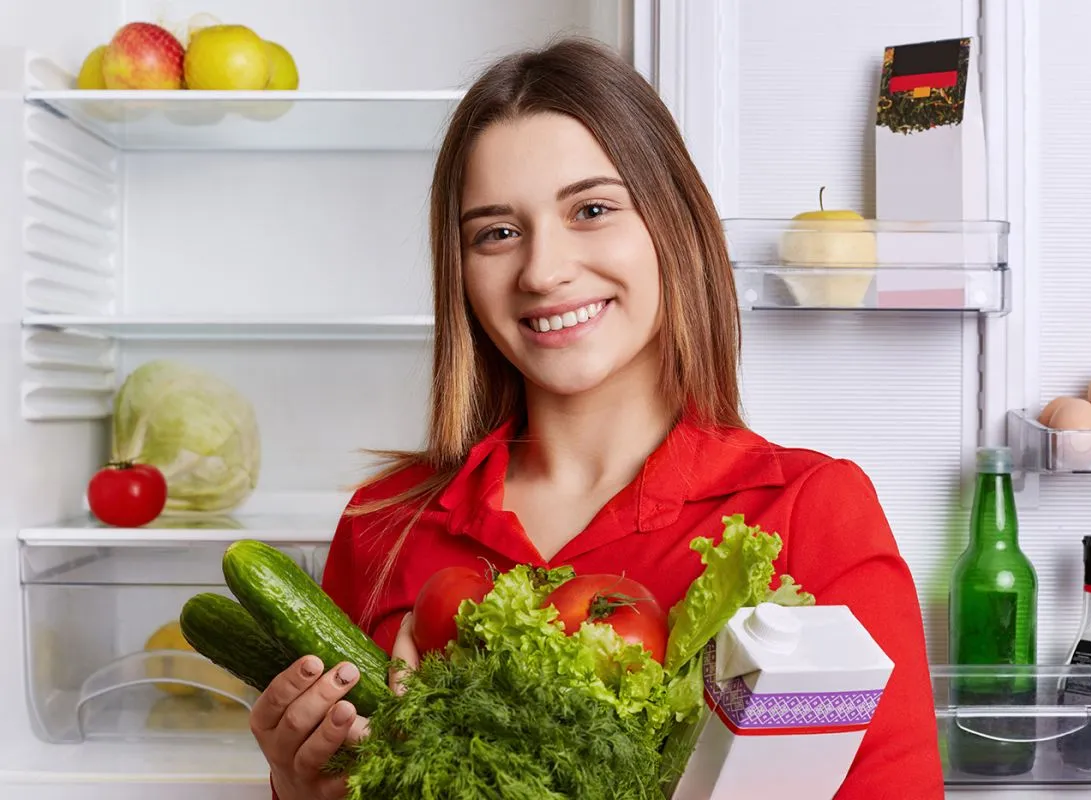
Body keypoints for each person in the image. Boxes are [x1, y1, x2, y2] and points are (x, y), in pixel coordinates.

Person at [250, 36, 943, 800]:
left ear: (673, 227)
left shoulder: (812, 514)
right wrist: (297, 788)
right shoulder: (383, 524)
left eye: (592, 209)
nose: (543, 270)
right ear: (463, 273)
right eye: (497, 232)